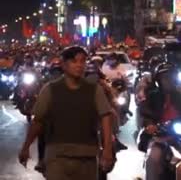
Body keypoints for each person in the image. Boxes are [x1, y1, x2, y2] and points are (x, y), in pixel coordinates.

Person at [18, 46, 114, 180]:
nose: (79, 65)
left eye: (83, 61)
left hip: (87, 157)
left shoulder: (95, 90)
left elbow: (106, 117)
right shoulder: (50, 90)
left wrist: (108, 149)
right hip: (57, 156)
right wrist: (26, 147)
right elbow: (38, 122)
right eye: (74, 61)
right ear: (64, 65)